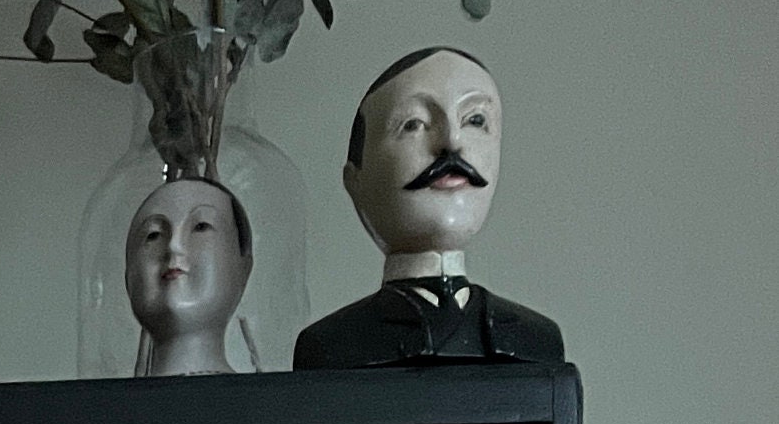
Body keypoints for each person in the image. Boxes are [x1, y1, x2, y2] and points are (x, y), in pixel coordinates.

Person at [294, 46, 563, 370]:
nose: (451, 142)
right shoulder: (332, 345)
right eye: (414, 124)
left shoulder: (534, 340)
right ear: (356, 181)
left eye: (475, 120)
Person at [125, 177, 254, 378]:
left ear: (243, 268)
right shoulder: (105, 407)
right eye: (153, 234)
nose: (173, 245)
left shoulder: (266, 404)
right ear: (128, 279)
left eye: (200, 227)